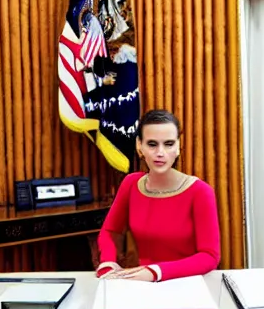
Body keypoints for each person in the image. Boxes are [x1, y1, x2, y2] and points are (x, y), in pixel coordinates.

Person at [95, 109, 222, 283]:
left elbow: (210, 256)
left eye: (169, 144)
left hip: (189, 284)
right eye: (152, 144)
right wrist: (108, 262)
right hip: (143, 285)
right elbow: (110, 231)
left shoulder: (200, 192)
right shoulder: (131, 183)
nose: (160, 152)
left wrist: (156, 272)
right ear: (140, 146)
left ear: (178, 147)